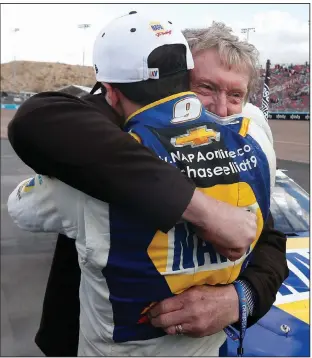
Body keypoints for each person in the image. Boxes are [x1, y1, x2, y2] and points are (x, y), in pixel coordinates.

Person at [7, 16, 288, 357]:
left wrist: (238, 298)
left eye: (235, 95)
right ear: (175, 85)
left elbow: (271, 241)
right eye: (206, 88)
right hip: (85, 335)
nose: (219, 107)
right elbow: (37, 121)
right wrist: (199, 206)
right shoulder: (115, 133)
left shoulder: (245, 157)